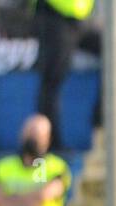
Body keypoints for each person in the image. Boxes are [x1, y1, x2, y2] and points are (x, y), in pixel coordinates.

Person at [33, 0, 95, 150]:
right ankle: (49, 143)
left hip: (81, 18)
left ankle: (104, 116)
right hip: (54, 17)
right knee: (52, 82)